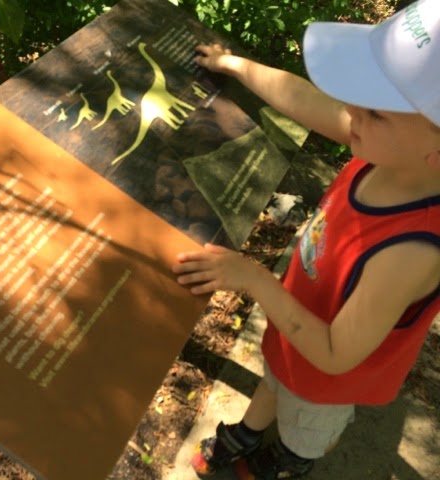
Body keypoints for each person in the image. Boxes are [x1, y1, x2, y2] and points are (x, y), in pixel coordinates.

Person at [172, 0, 440, 478]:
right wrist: (234, 65)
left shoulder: (411, 250)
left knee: (306, 423)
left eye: (375, 111)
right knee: (276, 377)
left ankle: (290, 461)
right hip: (296, 325)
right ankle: (248, 432)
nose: (351, 111)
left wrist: (253, 278)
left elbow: (335, 354)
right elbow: (301, 98)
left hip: (327, 381)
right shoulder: (385, 151)